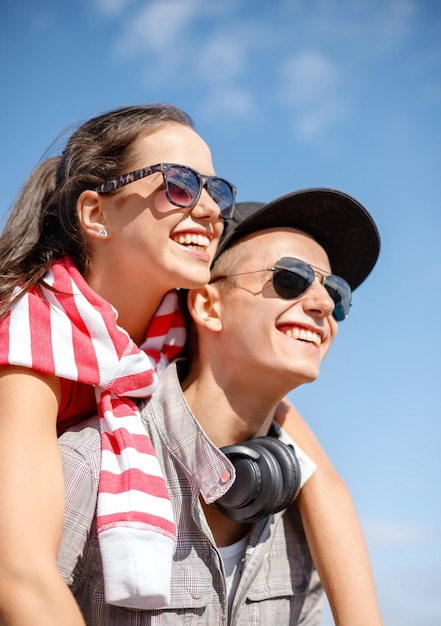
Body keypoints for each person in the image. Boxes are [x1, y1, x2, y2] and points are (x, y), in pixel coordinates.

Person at [57, 187, 382, 624]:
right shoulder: (85, 466)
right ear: (208, 306)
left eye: (337, 294)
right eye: (291, 279)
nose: (323, 305)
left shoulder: (304, 518)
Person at [0, 103, 236, 625]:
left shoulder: (184, 327)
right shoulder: (31, 328)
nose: (209, 211)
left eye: (217, 191)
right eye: (179, 183)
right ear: (95, 214)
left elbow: (317, 475)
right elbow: (19, 573)